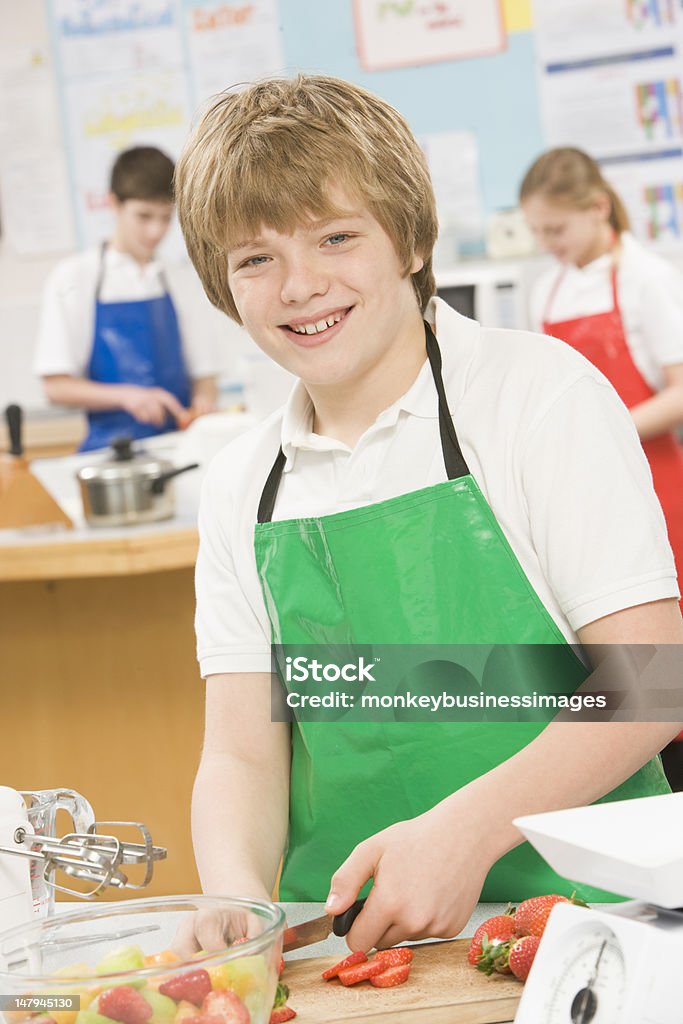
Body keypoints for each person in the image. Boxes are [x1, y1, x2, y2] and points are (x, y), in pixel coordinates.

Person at [174, 76, 683, 954]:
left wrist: (466, 832)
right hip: (350, 949)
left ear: (409, 238)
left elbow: (651, 676)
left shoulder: (535, 397)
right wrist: (237, 897)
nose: (300, 286)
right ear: (225, 287)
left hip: (583, 930)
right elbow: (242, 754)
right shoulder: (238, 484)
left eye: (335, 237)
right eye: (254, 259)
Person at [520, 147, 683, 598]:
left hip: (656, 477)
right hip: (582, 486)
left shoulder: (646, 277)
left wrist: (604, 429)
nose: (547, 243)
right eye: (537, 231)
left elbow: (681, 393)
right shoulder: (548, 290)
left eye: (555, 229)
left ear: (598, 208)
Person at [34, 146, 220, 452]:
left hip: (181, 449)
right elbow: (55, 386)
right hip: (109, 452)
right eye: (144, 216)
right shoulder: (74, 278)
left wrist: (203, 404)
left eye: (165, 217)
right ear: (113, 203)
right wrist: (129, 397)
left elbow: (205, 378)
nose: (156, 230)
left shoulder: (181, 279)